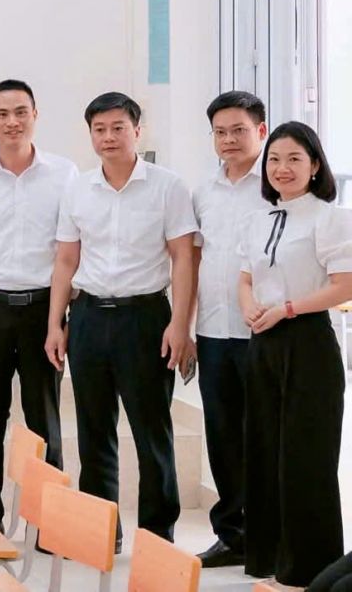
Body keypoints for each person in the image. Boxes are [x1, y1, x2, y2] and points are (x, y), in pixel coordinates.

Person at [46, 91, 196, 544]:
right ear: (90, 134)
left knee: (152, 432)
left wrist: (180, 325)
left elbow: (183, 259)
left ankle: (156, 536)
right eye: (100, 129)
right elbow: (66, 261)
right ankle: (99, 533)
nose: (108, 137)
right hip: (89, 317)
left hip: (145, 318)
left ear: (137, 130)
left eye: (118, 128)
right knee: (94, 433)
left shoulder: (168, 187)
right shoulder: (77, 188)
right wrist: (55, 324)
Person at [238, 122, 351, 587]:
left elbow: (344, 285)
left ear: (315, 165)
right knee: (264, 451)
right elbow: (245, 277)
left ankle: (309, 568)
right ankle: (270, 560)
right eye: (274, 160)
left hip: (308, 341)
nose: (282, 168)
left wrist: (286, 309)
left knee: (306, 459)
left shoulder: (329, 217)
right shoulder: (259, 219)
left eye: (294, 159)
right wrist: (250, 307)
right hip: (264, 340)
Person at [0, 80, 74, 531]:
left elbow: (69, 250)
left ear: (35, 115)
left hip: (43, 310)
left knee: (44, 420)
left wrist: (58, 319)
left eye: (21, 112)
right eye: (2, 114)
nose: (12, 122)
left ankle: (48, 525)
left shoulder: (63, 174)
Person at [190, 90, 270, 568]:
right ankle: (232, 535)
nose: (229, 140)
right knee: (222, 436)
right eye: (220, 132)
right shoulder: (204, 192)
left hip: (263, 331)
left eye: (239, 130)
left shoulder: (277, 187)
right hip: (214, 332)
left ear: (261, 130)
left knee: (263, 436)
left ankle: (268, 536)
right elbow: (194, 259)